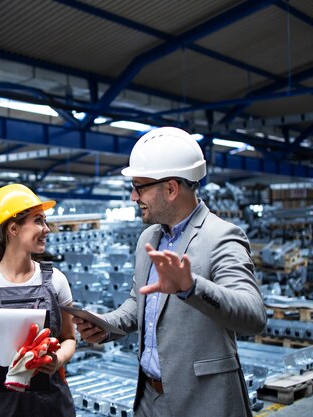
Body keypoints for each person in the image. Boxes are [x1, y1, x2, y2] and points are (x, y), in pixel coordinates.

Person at [73, 127, 267, 417]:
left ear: (171, 188)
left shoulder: (222, 237)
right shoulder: (148, 239)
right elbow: (138, 303)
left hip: (204, 402)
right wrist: (105, 325)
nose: (132, 196)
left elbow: (254, 316)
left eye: (139, 187)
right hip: (149, 400)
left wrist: (191, 287)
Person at [0, 183, 76, 417]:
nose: (47, 229)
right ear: (13, 228)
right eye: (39, 221)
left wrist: (58, 359)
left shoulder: (56, 280)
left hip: (50, 401)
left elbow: (69, 338)